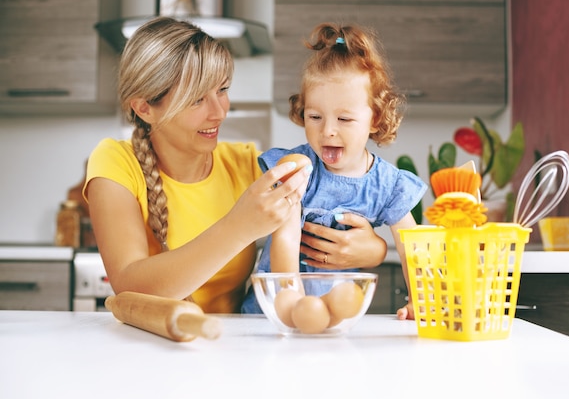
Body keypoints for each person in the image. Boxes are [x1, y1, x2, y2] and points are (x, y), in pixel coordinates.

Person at [82, 16, 389, 313]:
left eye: (223, 90)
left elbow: (317, 218)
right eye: (196, 100)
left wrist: (375, 249)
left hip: (233, 346)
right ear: (145, 107)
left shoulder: (245, 163)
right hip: (146, 348)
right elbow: (129, 284)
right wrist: (240, 226)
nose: (218, 112)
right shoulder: (115, 162)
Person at [241, 22, 427, 318]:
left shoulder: (388, 185)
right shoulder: (296, 169)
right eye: (315, 116)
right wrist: (293, 302)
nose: (327, 131)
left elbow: (412, 247)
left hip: (333, 321)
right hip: (273, 315)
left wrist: (422, 301)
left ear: (375, 119)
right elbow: (286, 239)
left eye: (344, 119)